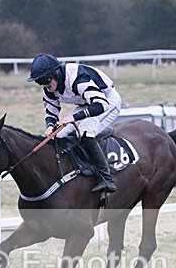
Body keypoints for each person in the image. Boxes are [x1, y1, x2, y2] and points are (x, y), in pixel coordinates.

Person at [27, 53, 121, 193]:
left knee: (85, 133)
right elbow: (51, 111)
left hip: (107, 101)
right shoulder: (48, 89)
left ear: (56, 73)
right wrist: (50, 126)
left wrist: (75, 117)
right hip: (86, 104)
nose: (45, 85)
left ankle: (106, 179)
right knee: (58, 136)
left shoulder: (77, 79)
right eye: (39, 82)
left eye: (46, 80)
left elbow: (101, 105)